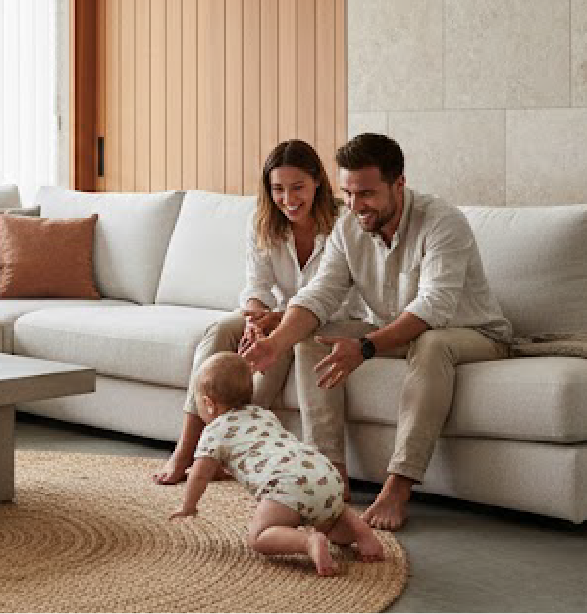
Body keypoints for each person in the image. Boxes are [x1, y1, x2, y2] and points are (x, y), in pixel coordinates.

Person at [244, 133, 513, 531]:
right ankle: (330, 474)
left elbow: (433, 308)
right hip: (391, 330)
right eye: (348, 194)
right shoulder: (348, 226)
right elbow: (320, 293)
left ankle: (397, 489)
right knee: (311, 337)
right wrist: (275, 342)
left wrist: (365, 347)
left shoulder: (443, 223)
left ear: (398, 183)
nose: (355, 206)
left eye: (366, 194)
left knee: (432, 342)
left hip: (473, 333)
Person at [155, 139, 342, 485]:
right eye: (278, 190)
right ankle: (187, 448)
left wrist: (278, 319)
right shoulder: (263, 223)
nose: (288, 200)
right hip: (278, 316)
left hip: (326, 318)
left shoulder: (342, 225)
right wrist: (256, 319)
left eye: (298, 187)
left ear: (318, 180)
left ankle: (227, 448)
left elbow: (339, 295)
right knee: (222, 330)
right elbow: (256, 285)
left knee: (282, 346)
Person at [169, 352, 385, 577]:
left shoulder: (214, 432)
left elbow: (199, 475)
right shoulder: (264, 414)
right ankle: (360, 532)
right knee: (331, 522)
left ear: (208, 404)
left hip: (288, 486)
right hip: (324, 474)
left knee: (259, 536)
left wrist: (188, 506)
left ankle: (308, 542)